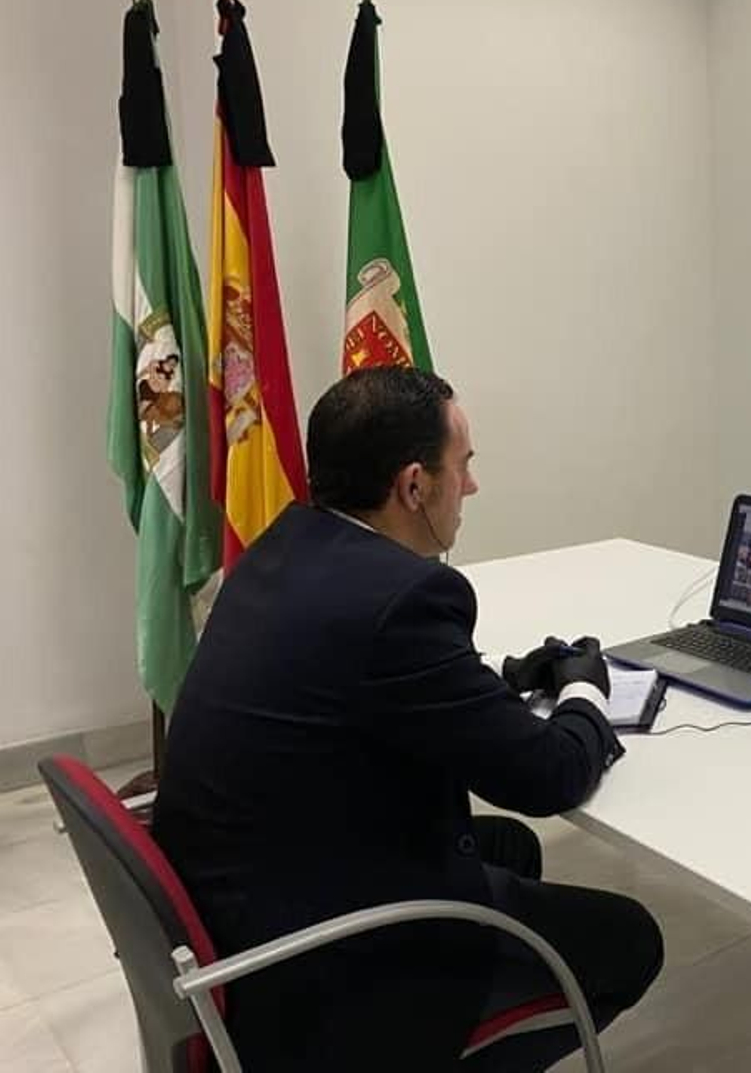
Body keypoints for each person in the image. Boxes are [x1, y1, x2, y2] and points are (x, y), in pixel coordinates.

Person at [152, 368, 663, 1072]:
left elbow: (369, 687)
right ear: (415, 485)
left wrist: (493, 687)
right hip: (313, 967)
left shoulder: (281, 548)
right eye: (466, 467)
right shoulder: (404, 600)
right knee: (632, 939)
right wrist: (585, 693)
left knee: (509, 849)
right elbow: (550, 777)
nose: (473, 487)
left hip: (243, 904)